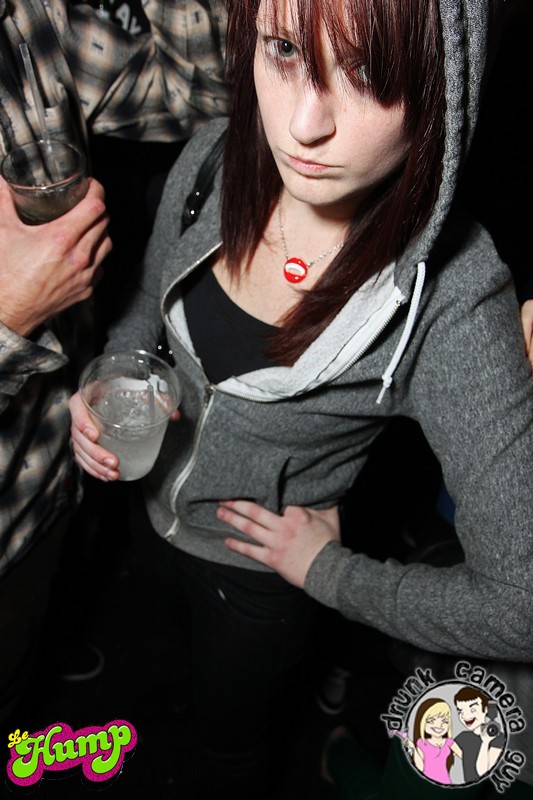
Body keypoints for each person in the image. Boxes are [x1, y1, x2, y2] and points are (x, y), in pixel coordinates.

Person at [70, 0, 533, 795]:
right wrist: (115, 372)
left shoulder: (453, 299)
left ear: (446, 90)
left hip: (256, 581)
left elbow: (520, 605)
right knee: (171, 663)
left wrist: (331, 572)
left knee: (230, 744)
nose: (302, 125)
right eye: (283, 49)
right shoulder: (215, 158)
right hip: (147, 521)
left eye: (367, 72)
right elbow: (148, 296)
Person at [0, 0, 228, 725]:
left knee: (30, 644)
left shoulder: (26, 17)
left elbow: (204, 91)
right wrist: (10, 318)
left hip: (49, 472)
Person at [454, 687, 505, 785]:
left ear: (485, 710)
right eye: (460, 711)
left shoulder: (498, 738)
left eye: (473, 709)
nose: (465, 716)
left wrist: (485, 742)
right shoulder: (463, 737)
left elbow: (482, 772)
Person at [406, 698, 462, 785]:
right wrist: (413, 748)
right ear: (422, 722)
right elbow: (420, 768)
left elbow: (464, 757)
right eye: (431, 721)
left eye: (445, 721)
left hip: (445, 782)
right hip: (426, 783)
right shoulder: (422, 743)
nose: (439, 725)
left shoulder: (449, 742)